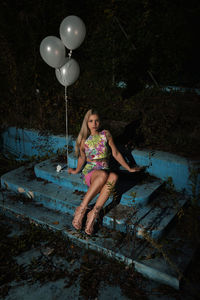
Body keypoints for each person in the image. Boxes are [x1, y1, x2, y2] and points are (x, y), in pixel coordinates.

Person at [68, 109, 142, 235]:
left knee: (113, 176)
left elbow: (116, 153)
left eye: (96, 120)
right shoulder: (84, 139)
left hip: (105, 170)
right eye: (91, 121)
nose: (94, 123)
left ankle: (94, 213)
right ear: (87, 123)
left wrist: (129, 167)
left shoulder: (105, 134)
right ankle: (81, 209)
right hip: (91, 172)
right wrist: (76, 170)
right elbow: (82, 158)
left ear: (100, 122)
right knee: (103, 174)